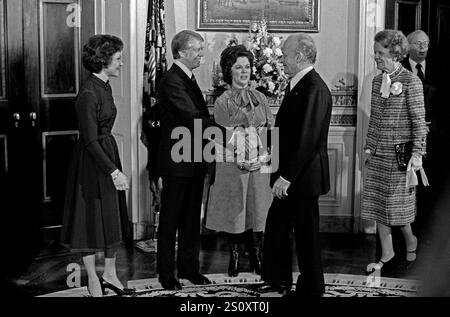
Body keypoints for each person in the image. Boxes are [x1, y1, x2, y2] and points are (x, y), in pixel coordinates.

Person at [60, 34, 134, 297]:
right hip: (92, 161)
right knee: (89, 219)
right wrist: (113, 171)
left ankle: (110, 274)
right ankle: (93, 278)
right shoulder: (88, 93)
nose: (121, 63)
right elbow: (90, 140)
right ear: (103, 61)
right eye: (117, 59)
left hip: (107, 152)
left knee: (112, 217)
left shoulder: (104, 85)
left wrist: (113, 165)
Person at [260, 34, 333, 297]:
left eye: (285, 55)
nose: (281, 60)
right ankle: (278, 280)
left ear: (300, 57)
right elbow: (290, 131)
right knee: (278, 226)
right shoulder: (299, 84)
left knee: (306, 235)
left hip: (301, 178)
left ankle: (312, 288)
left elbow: (308, 137)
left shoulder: (313, 87)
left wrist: (287, 177)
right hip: (293, 175)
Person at [362, 30, 427, 274]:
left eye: (381, 53)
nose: (376, 57)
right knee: (379, 205)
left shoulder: (412, 82)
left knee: (399, 209)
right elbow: (375, 119)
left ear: (395, 54)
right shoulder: (377, 81)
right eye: (375, 52)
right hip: (379, 153)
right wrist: (369, 147)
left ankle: (411, 240)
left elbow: (419, 122)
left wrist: (418, 153)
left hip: (402, 156)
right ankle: (387, 253)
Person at [205, 45, 274, 277]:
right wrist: (242, 161)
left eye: (247, 67)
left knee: (259, 212)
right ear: (229, 71)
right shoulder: (223, 101)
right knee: (236, 213)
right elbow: (227, 137)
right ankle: (233, 260)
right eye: (238, 67)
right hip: (233, 165)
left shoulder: (261, 98)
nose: (244, 72)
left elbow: (269, 132)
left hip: (259, 166)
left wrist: (264, 157)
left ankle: (258, 257)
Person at [156, 30, 212, 290]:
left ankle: (190, 269)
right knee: (170, 221)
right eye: (197, 49)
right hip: (177, 163)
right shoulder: (172, 80)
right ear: (181, 52)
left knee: (191, 219)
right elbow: (194, 118)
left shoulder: (187, 77)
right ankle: (166, 274)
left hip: (193, 159)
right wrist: (231, 137)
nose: (202, 54)